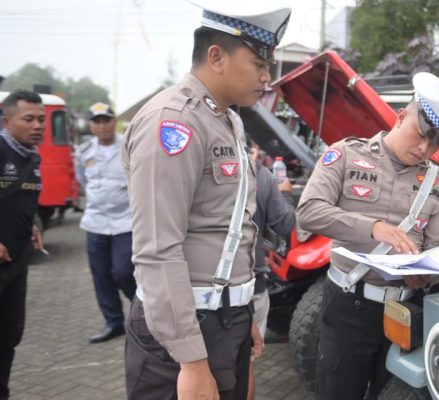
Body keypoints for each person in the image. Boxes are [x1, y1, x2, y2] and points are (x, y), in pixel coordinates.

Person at [120, 1, 291, 399]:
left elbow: (235, 226)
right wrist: (191, 361)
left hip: (224, 319)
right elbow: (157, 250)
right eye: (259, 64)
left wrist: (240, 305)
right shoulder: (174, 122)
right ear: (216, 56)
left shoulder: (227, 119)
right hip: (180, 334)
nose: (267, 78)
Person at [296, 72, 439, 400]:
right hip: (350, 305)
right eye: (421, 135)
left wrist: (427, 272)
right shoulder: (347, 155)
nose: (425, 148)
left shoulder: (438, 180)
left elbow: (438, 243)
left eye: (436, 143)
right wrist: (373, 227)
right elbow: (308, 212)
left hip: (404, 311)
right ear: (402, 116)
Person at [76, 102, 136, 344]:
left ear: (114, 121)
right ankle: (113, 322)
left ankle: (144, 308)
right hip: (96, 222)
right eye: (97, 122)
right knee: (101, 276)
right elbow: (83, 181)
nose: (102, 126)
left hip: (125, 222)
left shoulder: (128, 146)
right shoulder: (84, 152)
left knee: (123, 271)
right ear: (91, 125)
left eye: (106, 120)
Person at [0, 90, 45, 400]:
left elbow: (19, 200)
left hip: (17, 262)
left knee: (9, 336)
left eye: (41, 119)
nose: (38, 125)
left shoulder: (32, 155)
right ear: (7, 121)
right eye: (28, 119)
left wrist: (32, 225)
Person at [247, 163, 295, 400]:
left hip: (196, 288)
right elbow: (286, 223)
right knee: (243, 366)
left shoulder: (189, 163)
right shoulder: (258, 173)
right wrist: (285, 192)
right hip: (250, 285)